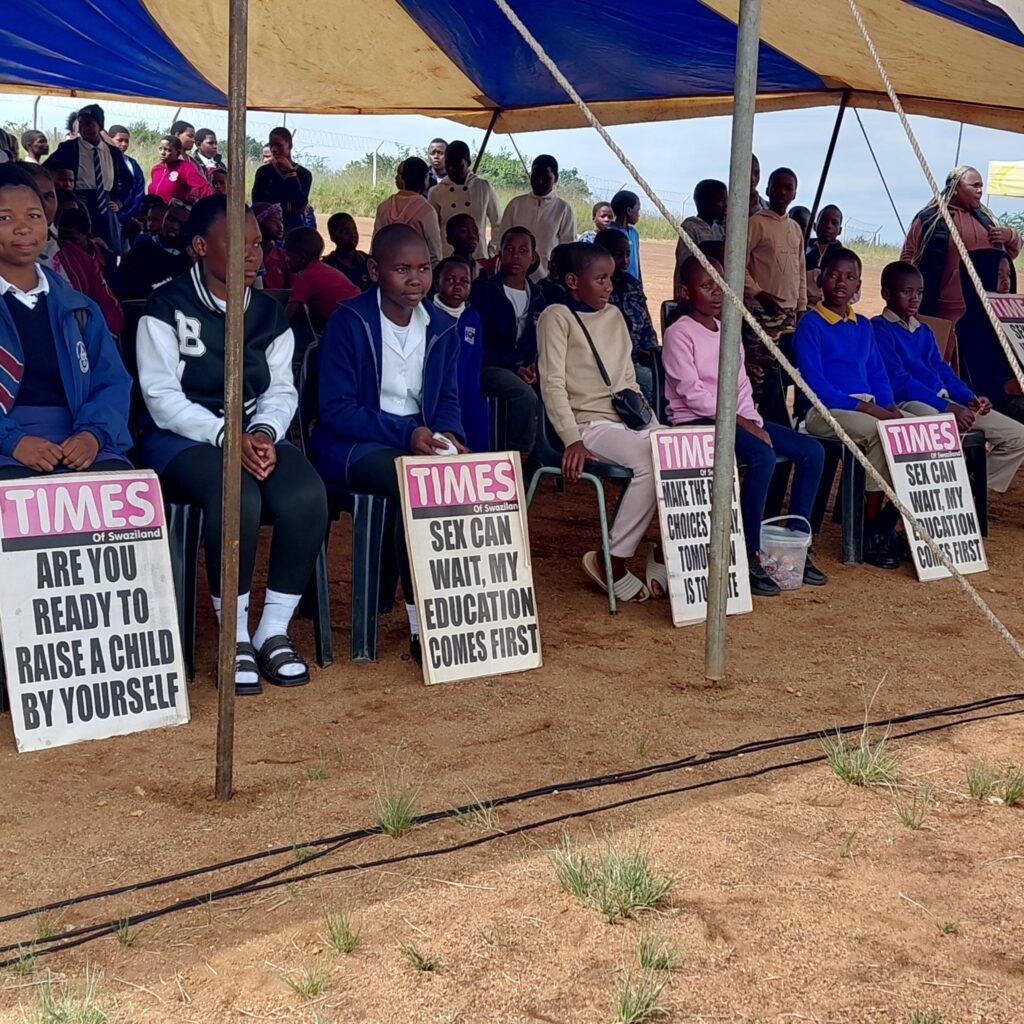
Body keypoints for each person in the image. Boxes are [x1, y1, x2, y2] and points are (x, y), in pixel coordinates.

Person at [136, 194, 328, 693]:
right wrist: (227, 436)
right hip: (182, 438)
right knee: (235, 495)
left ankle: (272, 632)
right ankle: (234, 636)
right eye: (237, 242)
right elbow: (160, 397)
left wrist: (263, 433)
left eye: (259, 244)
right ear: (200, 246)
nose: (252, 253)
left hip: (251, 432)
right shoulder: (166, 304)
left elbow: (282, 389)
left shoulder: (269, 312)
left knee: (307, 495)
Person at [311, 224, 464, 663]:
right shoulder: (350, 320)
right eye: (402, 269)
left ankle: (457, 607)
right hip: (349, 446)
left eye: (424, 268)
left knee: (462, 478)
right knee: (412, 483)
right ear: (375, 270)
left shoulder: (441, 326)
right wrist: (408, 434)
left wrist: (450, 434)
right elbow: (336, 408)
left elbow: (447, 398)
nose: (415, 280)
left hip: (413, 439)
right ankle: (424, 624)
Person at [664, 256, 827, 596]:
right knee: (762, 456)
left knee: (812, 451)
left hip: (736, 416)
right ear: (685, 291)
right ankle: (749, 552)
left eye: (719, 285)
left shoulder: (727, 331)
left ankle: (796, 544)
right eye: (705, 286)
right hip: (696, 420)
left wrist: (750, 419)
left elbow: (739, 385)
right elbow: (691, 393)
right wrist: (743, 423)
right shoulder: (679, 333)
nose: (715, 294)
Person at [537, 241, 666, 602]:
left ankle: (667, 552)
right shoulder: (556, 317)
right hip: (588, 425)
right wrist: (570, 439)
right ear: (574, 281)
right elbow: (552, 384)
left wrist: (653, 426)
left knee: (679, 453)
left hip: (628, 422)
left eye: (611, 278)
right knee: (648, 462)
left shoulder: (615, 317)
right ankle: (613, 558)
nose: (610, 286)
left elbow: (628, 380)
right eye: (601, 279)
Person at [795, 248, 934, 569]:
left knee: (921, 431)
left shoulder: (862, 325)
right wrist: (873, 411)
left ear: (859, 283)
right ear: (820, 279)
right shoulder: (811, 324)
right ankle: (868, 531)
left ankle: (889, 520)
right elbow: (817, 387)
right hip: (822, 412)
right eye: (833, 275)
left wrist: (888, 405)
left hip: (867, 407)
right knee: (880, 433)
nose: (841, 282)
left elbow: (877, 374)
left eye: (850, 276)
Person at [0, 164, 132, 482]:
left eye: (33, 215)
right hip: (9, 442)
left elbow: (112, 382)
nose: (22, 228)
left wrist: (92, 436)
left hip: (77, 434)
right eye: (5, 218)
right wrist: (12, 441)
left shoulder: (78, 308)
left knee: (114, 487)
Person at [873, 260, 1024, 495]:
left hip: (947, 402)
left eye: (920, 292)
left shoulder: (923, 330)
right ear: (886, 293)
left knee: (1018, 436)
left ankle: (970, 489)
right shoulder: (879, 328)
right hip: (910, 403)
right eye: (907, 291)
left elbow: (943, 370)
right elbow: (899, 381)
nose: (915, 298)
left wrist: (970, 397)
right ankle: (944, 491)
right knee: (938, 429)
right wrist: (948, 406)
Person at [901, 166, 1021, 332]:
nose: (980, 191)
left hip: (983, 310)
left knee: (974, 357)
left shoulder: (987, 221)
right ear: (956, 188)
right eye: (975, 186)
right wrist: (910, 297)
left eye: (981, 186)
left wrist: (1010, 236)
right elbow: (908, 257)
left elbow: (1008, 257)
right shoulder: (930, 220)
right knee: (936, 355)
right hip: (939, 310)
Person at [469, 227, 545, 460]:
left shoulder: (540, 295)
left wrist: (535, 365)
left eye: (523, 251)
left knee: (557, 389)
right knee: (524, 396)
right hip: (489, 367)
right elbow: (478, 344)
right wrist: (514, 369)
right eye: (509, 250)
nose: (516, 256)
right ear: (499, 253)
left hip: (527, 368)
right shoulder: (485, 290)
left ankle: (545, 455)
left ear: (533, 257)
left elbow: (541, 340)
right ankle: (516, 458)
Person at [743, 166, 807, 426]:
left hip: (789, 314)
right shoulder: (756, 222)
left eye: (788, 187)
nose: (782, 192)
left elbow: (800, 270)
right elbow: (737, 265)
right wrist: (758, 293)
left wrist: (801, 307)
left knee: (787, 368)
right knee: (764, 369)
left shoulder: (794, 228)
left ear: (794, 193)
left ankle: (787, 420)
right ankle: (764, 421)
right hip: (762, 311)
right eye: (777, 186)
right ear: (768, 189)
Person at [43, 104, 133, 256]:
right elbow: (45, 171)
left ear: (100, 126)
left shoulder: (112, 152)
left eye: (89, 124)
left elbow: (129, 181)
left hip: (106, 206)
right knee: (80, 248)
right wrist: (68, 195)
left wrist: (119, 202)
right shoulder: (69, 148)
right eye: (81, 124)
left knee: (109, 251)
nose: (84, 128)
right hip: (81, 204)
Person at [958, 249, 1024, 425]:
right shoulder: (970, 326)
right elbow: (974, 380)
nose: (1006, 281)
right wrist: (1005, 387)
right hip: (997, 399)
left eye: (1009, 275)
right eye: (998, 274)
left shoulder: (1016, 320)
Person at [594, 228, 657, 405]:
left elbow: (646, 326)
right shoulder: (594, 291)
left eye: (627, 254)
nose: (624, 261)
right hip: (614, 365)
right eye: (618, 255)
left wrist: (652, 352)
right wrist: (635, 356)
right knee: (650, 381)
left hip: (640, 358)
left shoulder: (633, 286)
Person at [433, 255, 488, 452]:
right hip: (438, 392)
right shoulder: (428, 315)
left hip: (466, 390)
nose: (457, 286)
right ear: (436, 282)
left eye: (464, 281)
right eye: (450, 280)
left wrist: (473, 392)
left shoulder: (472, 317)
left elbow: (475, 360)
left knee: (478, 419)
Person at [497, 155, 577, 280]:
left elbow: (567, 248)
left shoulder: (563, 209)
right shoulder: (516, 204)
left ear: (555, 178)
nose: (540, 181)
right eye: (535, 175)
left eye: (546, 177)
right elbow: (501, 239)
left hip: (547, 277)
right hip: (514, 275)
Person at [54, 206, 124, 335]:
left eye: (73, 240)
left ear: (87, 234)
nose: (67, 244)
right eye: (62, 239)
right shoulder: (57, 260)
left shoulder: (109, 260)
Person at [428, 140, 501, 260]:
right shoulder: (436, 191)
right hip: (448, 256)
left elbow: (498, 223)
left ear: (468, 163)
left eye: (458, 165)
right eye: (448, 164)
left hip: (478, 256)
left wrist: (492, 251)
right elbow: (433, 229)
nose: (452, 169)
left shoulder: (483, 187)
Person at [284, 226, 360, 331]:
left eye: (289, 255)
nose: (285, 259)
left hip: (346, 321)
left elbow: (290, 312)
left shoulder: (307, 276)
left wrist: (272, 331)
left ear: (302, 257)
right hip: (359, 313)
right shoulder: (323, 268)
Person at [373, 157, 443, 267]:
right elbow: (435, 253)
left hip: (388, 271)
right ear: (425, 179)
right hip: (414, 273)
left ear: (403, 178)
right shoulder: (426, 210)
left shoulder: (384, 207)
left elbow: (375, 245)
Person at [117, 200, 191, 300]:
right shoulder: (141, 250)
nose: (174, 226)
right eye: (171, 219)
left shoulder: (192, 258)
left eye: (181, 223)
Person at [251, 127, 313, 233]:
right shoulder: (264, 172)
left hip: (293, 228)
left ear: (290, 145)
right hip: (268, 228)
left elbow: (300, 204)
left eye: (278, 145)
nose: (274, 149)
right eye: (271, 145)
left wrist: (291, 173)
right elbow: (258, 203)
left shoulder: (303, 174)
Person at [148, 135, 213, 206]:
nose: (162, 152)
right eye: (160, 149)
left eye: (168, 150)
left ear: (178, 153)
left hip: (173, 214)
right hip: (153, 213)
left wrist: (209, 209)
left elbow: (204, 188)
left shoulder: (186, 168)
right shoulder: (156, 169)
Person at [107, 124, 147, 228]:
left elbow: (139, 191)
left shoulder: (132, 164)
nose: (124, 144)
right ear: (109, 140)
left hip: (128, 217)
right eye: (119, 140)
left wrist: (127, 213)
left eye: (126, 141)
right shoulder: (101, 161)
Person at [679, 179, 727, 263]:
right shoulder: (690, 227)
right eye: (721, 201)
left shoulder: (721, 227)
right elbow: (685, 260)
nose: (726, 205)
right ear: (707, 203)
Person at [805, 204, 843, 306]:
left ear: (840, 230)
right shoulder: (803, 249)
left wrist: (824, 300)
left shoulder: (843, 257)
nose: (828, 226)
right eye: (823, 221)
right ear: (814, 226)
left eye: (834, 223)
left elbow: (853, 293)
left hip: (829, 310)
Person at [321, 212, 370, 291]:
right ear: (332, 236)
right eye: (345, 231)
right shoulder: (327, 265)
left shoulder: (367, 261)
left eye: (354, 229)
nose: (352, 234)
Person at [254, 203, 289, 290]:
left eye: (281, 220)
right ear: (257, 223)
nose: (280, 226)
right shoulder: (247, 256)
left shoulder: (284, 258)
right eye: (273, 221)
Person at [609, 190, 642, 282]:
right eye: (637, 210)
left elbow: (637, 262)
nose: (639, 215)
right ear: (629, 210)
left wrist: (639, 283)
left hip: (633, 283)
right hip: (616, 282)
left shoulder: (634, 233)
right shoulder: (609, 233)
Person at [445, 214, 490, 279]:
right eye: (464, 231)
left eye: (475, 231)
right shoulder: (444, 270)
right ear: (449, 239)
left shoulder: (483, 273)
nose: (472, 236)